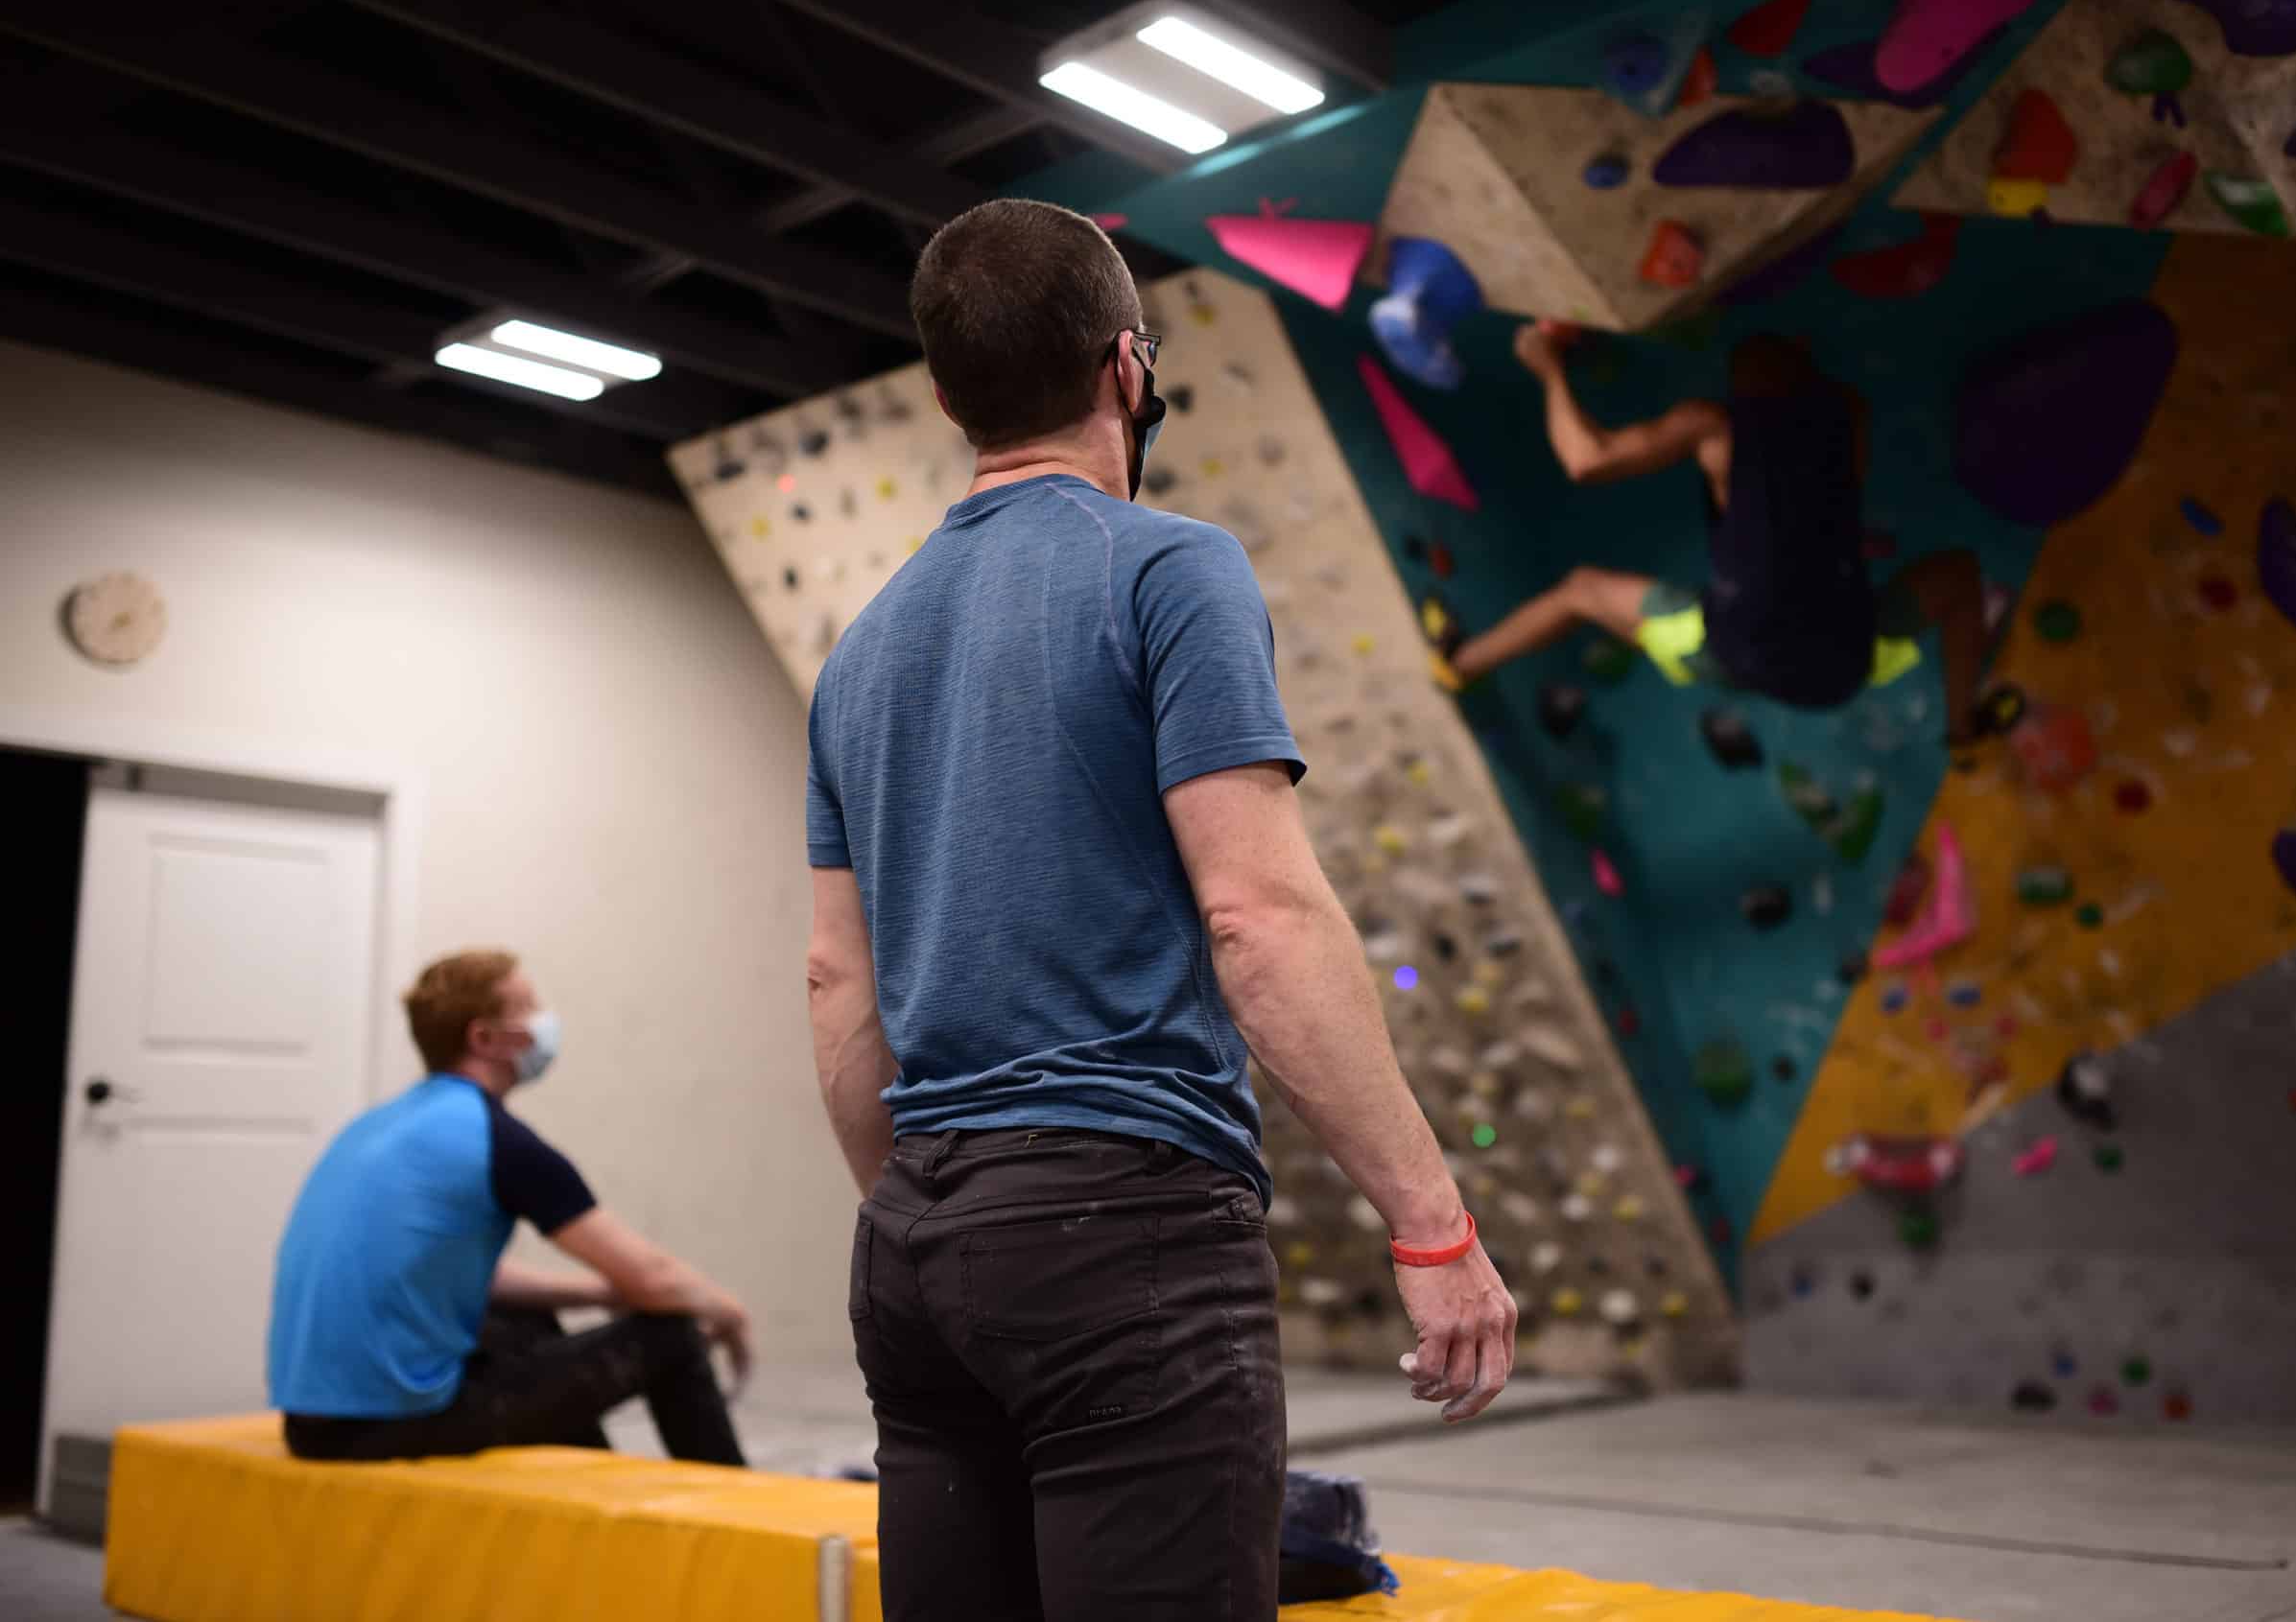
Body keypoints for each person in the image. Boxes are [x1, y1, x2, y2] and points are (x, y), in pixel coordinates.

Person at [801, 198, 1515, 1622]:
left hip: (916, 1247)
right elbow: (1257, 916)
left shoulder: (862, 650)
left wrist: (936, 1219)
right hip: (1121, 1231)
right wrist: (1433, 1226)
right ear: (1130, 366)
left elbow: (838, 985)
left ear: (949, 398)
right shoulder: (1168, 566)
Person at [266, 948, 751, 1467]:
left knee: (524, 1322)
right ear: (484, 1039)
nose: (545, 1020)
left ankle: (589, 1492)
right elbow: (654, 1279)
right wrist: (730, 1314)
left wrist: (601, 1292)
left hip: (312, 1429)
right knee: (672, 1332)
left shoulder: (376, 1126)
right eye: (528, 1007)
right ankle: (741, 1515)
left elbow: (453, 1274)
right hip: (387, 1428)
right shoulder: (498, 1140)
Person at [1435, 325, 1997, 742]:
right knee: (1960, 575)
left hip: (1737, 652)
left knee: (1582, 589)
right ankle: (1961, 728)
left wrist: (1547, 364)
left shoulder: (1713, 426)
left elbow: (1585, 460)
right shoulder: (1848, 414)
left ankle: (1458, 666)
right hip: (1845, 658)